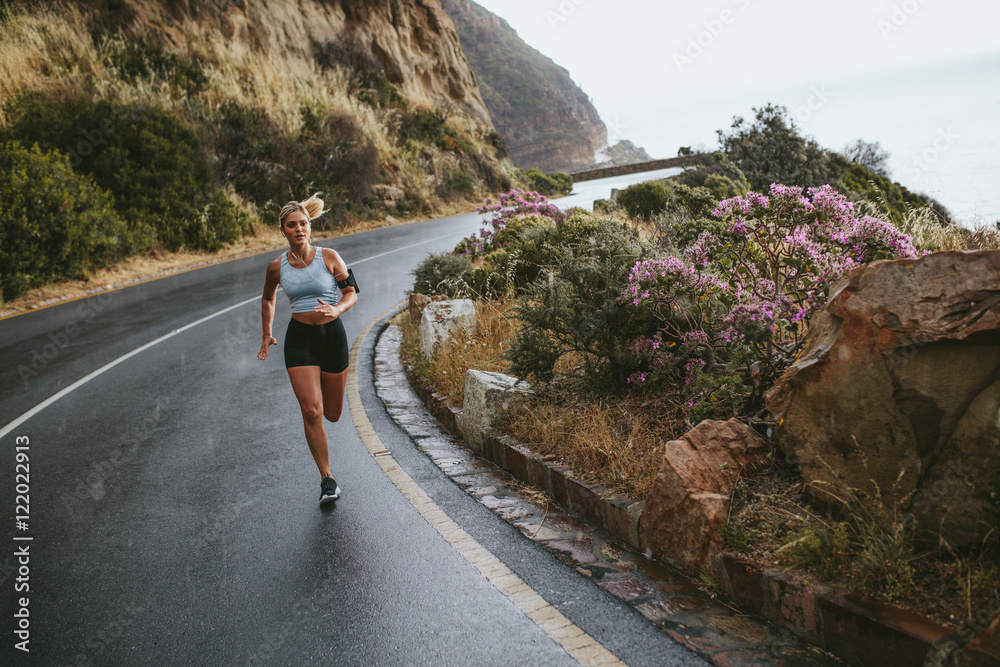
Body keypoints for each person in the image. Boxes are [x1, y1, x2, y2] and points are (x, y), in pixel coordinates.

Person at [257, 194, 359, 506]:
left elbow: (352, 292)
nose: (299, 229)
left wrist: (337, 310)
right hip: (299, 338)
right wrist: (266, 334)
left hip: (332, 336)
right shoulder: (276, 267)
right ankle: (327, 480)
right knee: (311, 410)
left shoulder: (329, 257)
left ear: (310, 226)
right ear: (283, 231)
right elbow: (268, 299)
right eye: (292, 225)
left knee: (332, 413)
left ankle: (328, 470)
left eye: (303, 224)